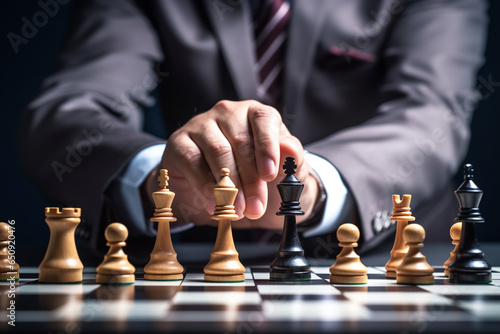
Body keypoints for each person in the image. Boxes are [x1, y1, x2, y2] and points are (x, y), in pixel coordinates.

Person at [19, 0, 488, 261]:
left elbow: (432, 113)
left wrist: (315, 186)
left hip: (397, 256)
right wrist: (160, 182)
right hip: (201, 262)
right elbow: (70, 111)